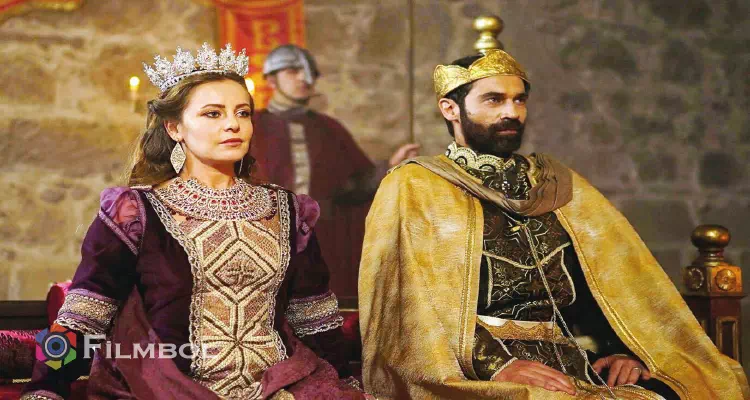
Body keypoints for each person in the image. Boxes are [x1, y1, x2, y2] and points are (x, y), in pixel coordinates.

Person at [358, 49, 749, 399]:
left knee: (705, 385)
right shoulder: (415, 186)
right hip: (472, 366)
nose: (511, 112)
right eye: (494, 99)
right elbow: (409, 303)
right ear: (450, 109)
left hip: (576, 357)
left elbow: (611, 282)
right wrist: (497, 365)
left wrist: (621, 350)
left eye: (519, 99)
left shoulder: (554, 182)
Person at [22, 43, 365, 400]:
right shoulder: (135, 213)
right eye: (213, 114)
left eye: (243, 113)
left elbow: (314, 318)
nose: (233, 124)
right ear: (174, 128)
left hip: (279, 388)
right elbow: (84, 316)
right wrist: (45, 388)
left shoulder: (287, 210)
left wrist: (344, 382)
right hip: (169, 389)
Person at [250, 44, 419, 303]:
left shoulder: (329, 129)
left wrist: (388, 168)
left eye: (310, 73)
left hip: (325, 244)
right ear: (271, 79)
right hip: (262, 242)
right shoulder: (252, 127)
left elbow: (353, 189)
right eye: (293, 71)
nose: (304, 78)